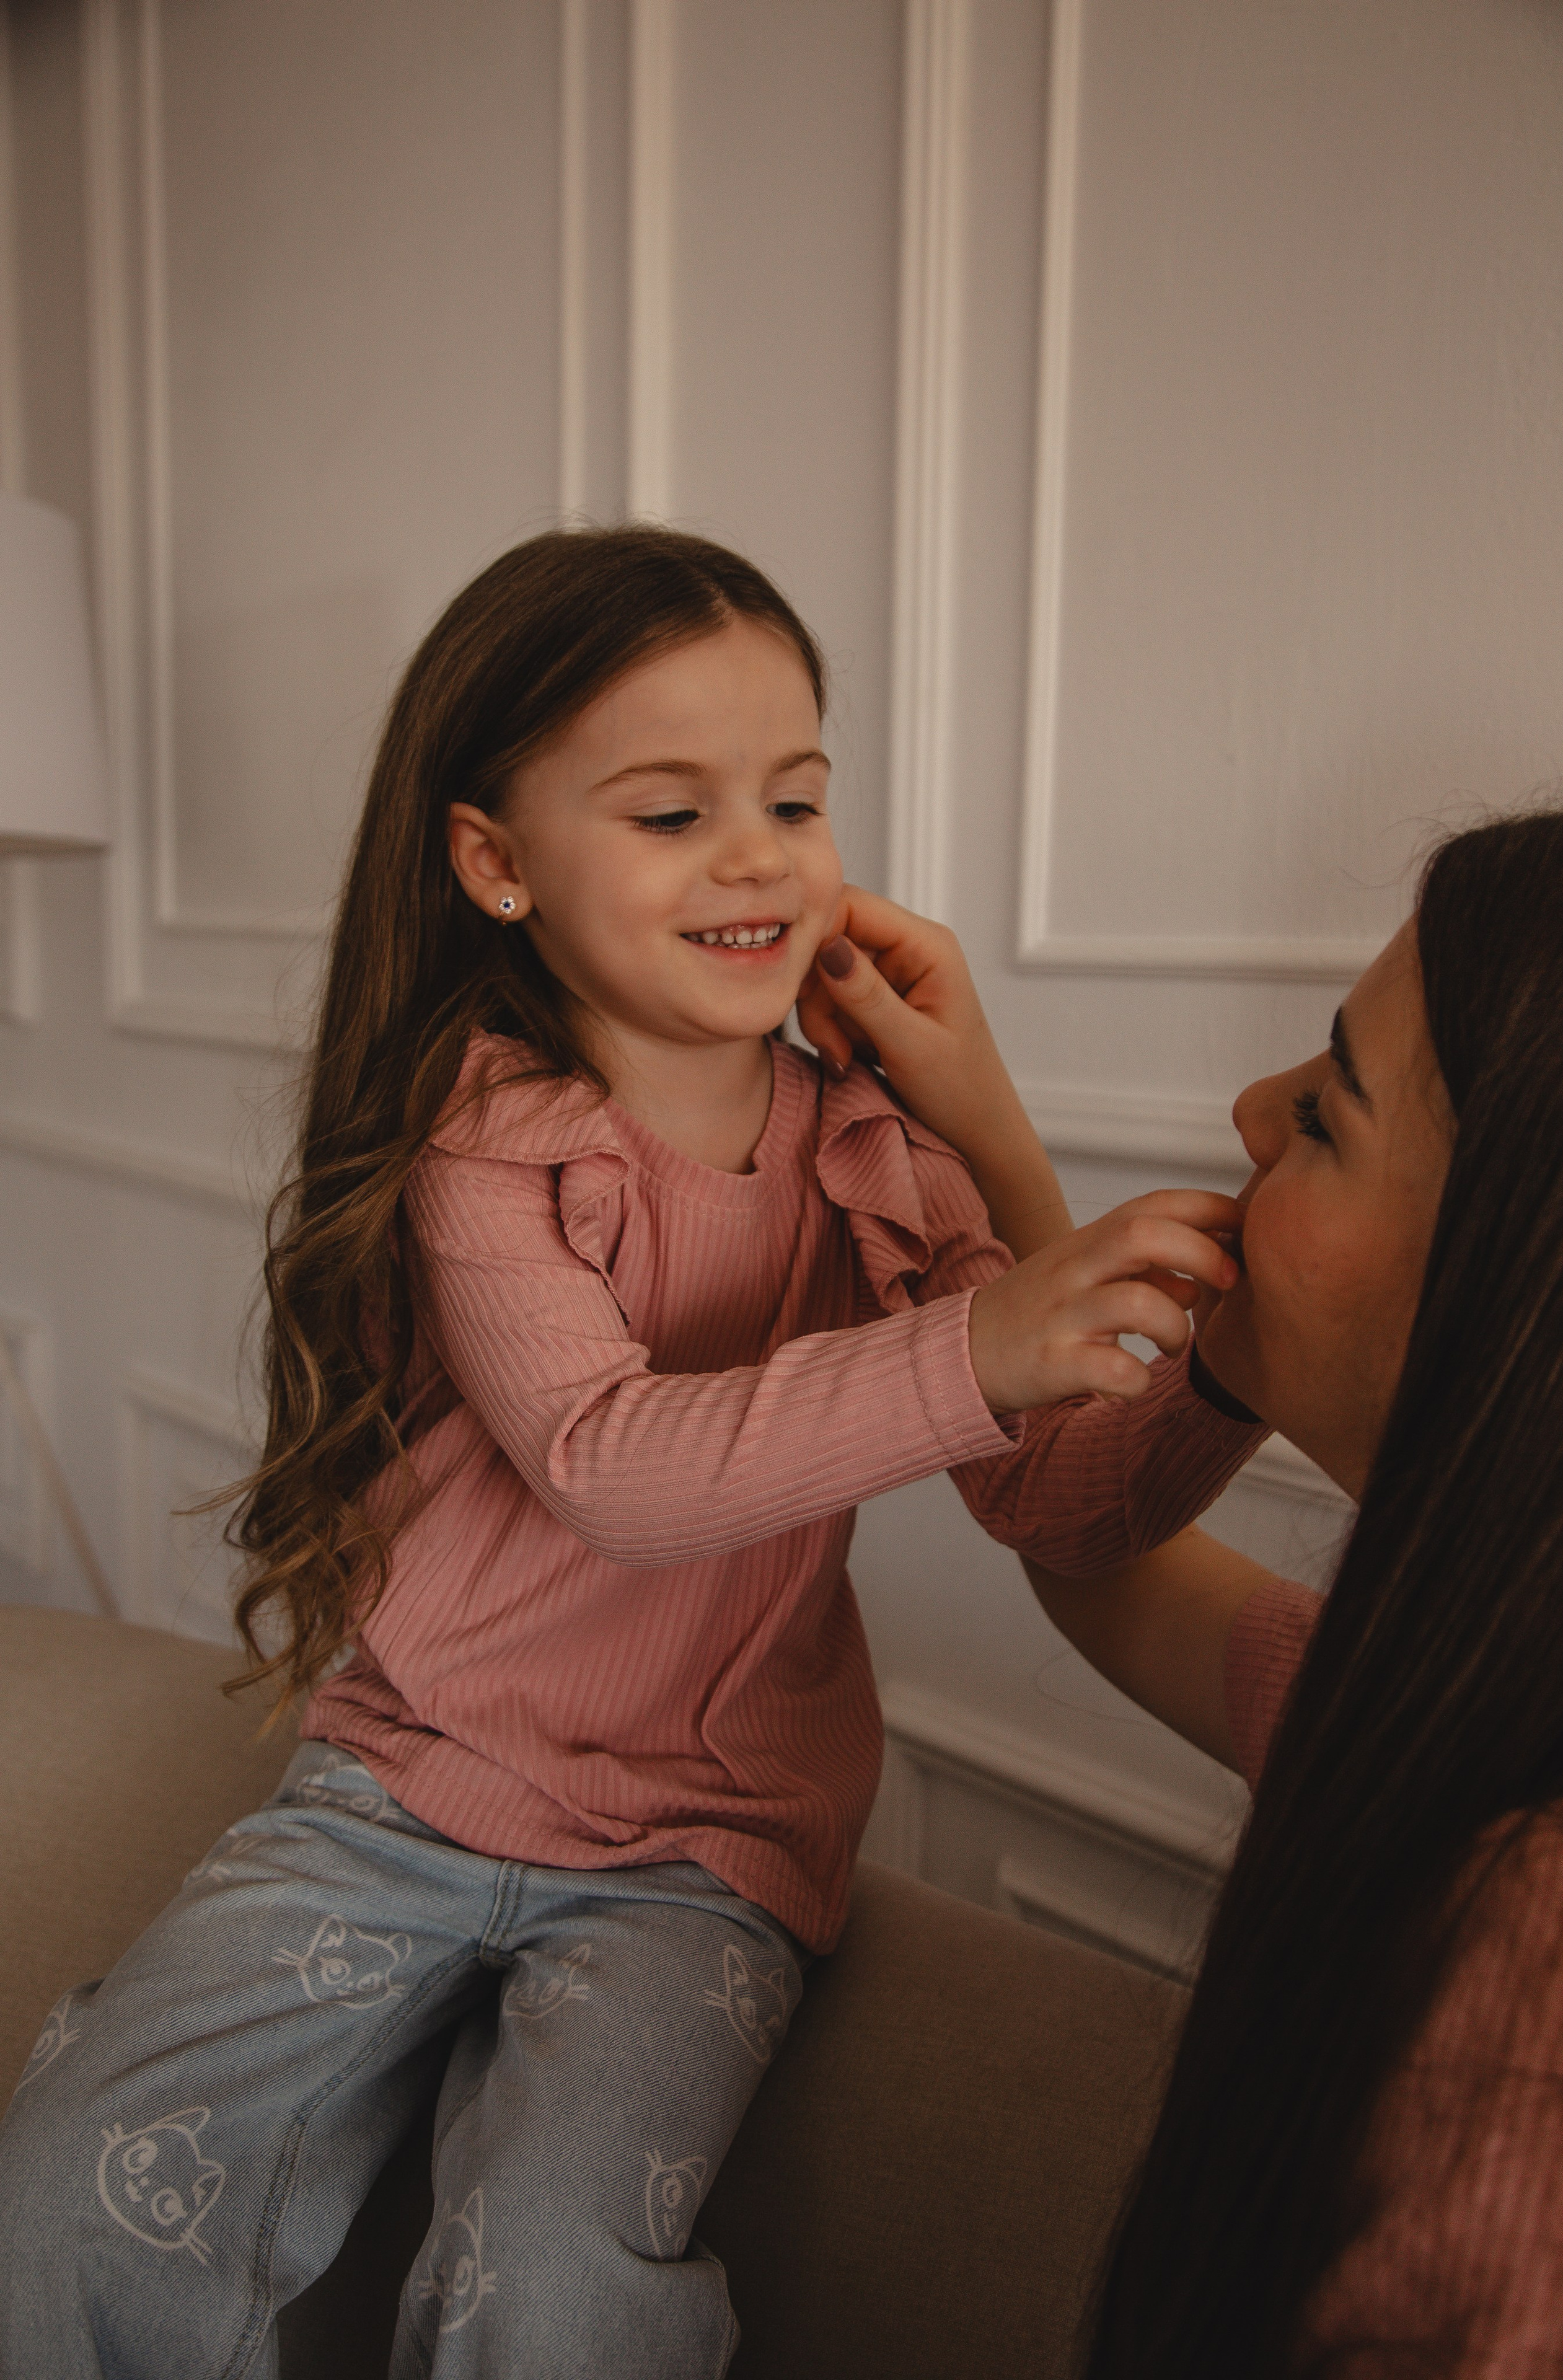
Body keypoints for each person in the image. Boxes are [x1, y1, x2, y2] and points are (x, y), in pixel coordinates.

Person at [0, 526, 1264, 2379]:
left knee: (554, 2285)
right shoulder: (487, 1137)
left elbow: (1055, 1501)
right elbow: (608, 1461)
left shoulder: (876, 1152)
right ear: (495, 863)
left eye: (795, 799)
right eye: (673, 813)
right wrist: (980, 1340)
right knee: (70, 2182)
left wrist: (1224, 1358)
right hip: (410, 1784)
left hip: (705, 1849)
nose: (758, 855)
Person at [812, 804, 1563, 2376]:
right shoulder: (1427, 1710)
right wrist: (988, 1143)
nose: (1247, 1111)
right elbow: (1095, 1556)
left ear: (1515, 1293)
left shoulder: (1535, 1948)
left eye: (1327, 1112)